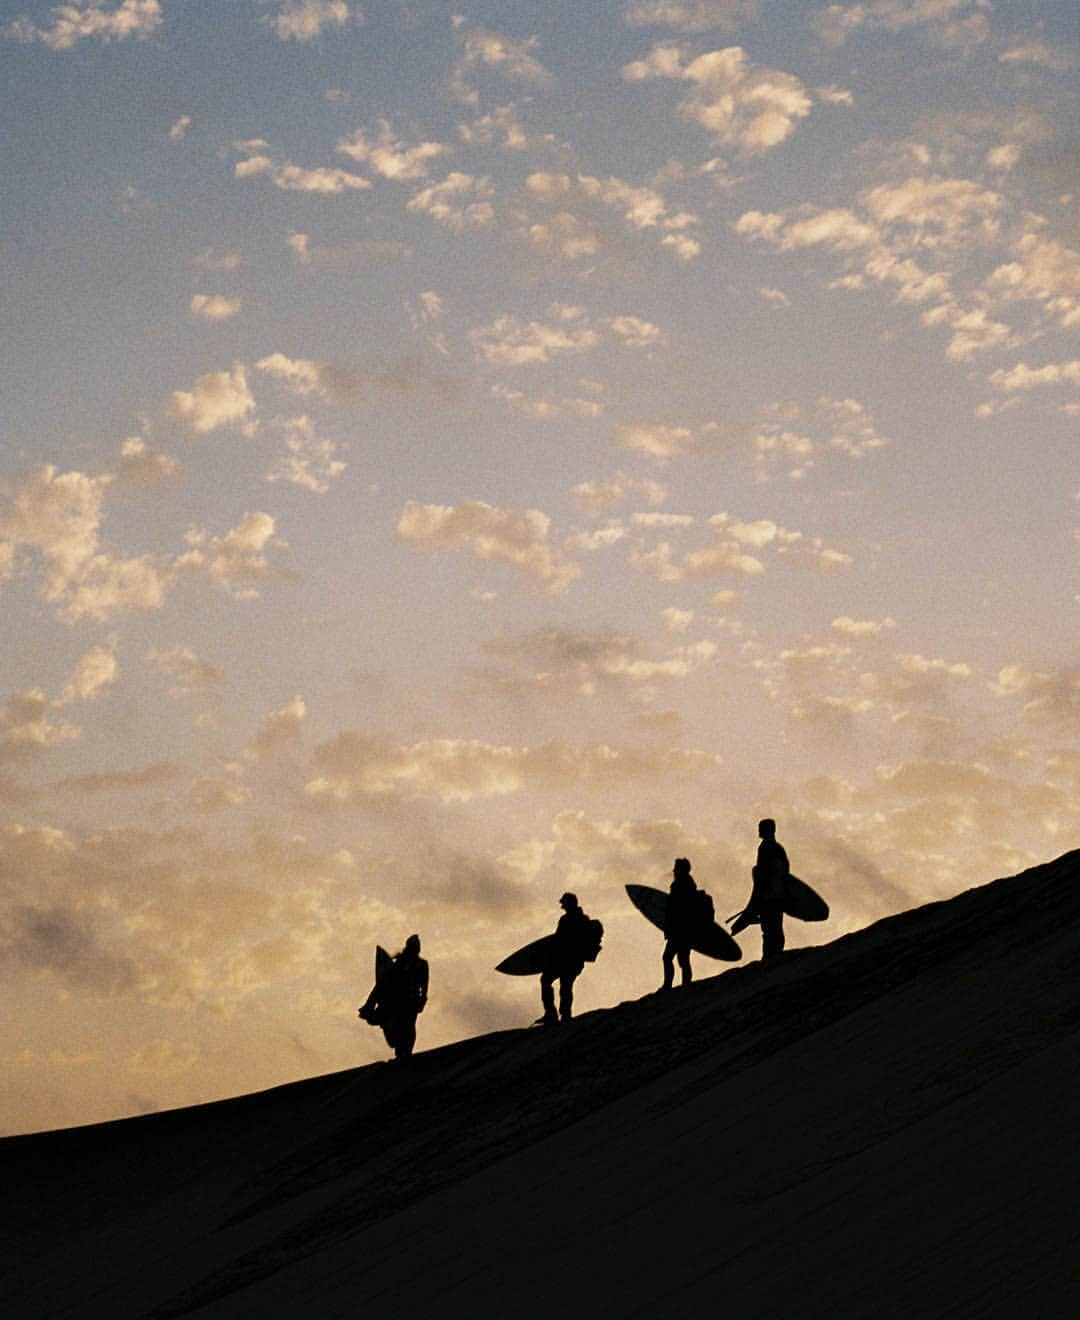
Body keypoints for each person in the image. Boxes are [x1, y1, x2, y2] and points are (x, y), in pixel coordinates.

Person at [359, 934, 429, 1059]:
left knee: (408, 1027)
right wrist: (370, 1004)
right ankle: (401, 1052)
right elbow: (383, 984)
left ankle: (404, 1053)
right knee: (398, 1027)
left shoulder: (421, 964)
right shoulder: (399, 964)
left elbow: (424, 985)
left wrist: (422, 1000)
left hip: (410, 1002)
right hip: (397, 1002)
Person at [537, 892, 600, 1025]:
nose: (562, 906)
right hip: (572, 961)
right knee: (564, 986)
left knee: (550, 981)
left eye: (563, 903)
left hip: (567, 960)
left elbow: (559, 941)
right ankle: (562, 1014)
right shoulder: (583, 919)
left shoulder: (568, 920)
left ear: (569, 903)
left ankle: (554, 1014)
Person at [661, 857, 709, 990]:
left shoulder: (679, 886)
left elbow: (674, 909)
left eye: (676, 868)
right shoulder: (689, 885)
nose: (673, 871)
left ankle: (669, 985)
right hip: (686, 929)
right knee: (683, 959)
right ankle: (684, 984)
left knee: (668, 957)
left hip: (680, 929)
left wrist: (669, 927)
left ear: (681, 870)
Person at [752, 818, 789, 960]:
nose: (759, 831)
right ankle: (776, 953)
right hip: (778, 895)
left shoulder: (765, 848)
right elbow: (786, 871)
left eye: (761, 828)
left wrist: (757, 896)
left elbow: (762, 873)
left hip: (768, 895)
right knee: (775, 927)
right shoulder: (778, 848)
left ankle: (770, 957)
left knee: (769, 929)